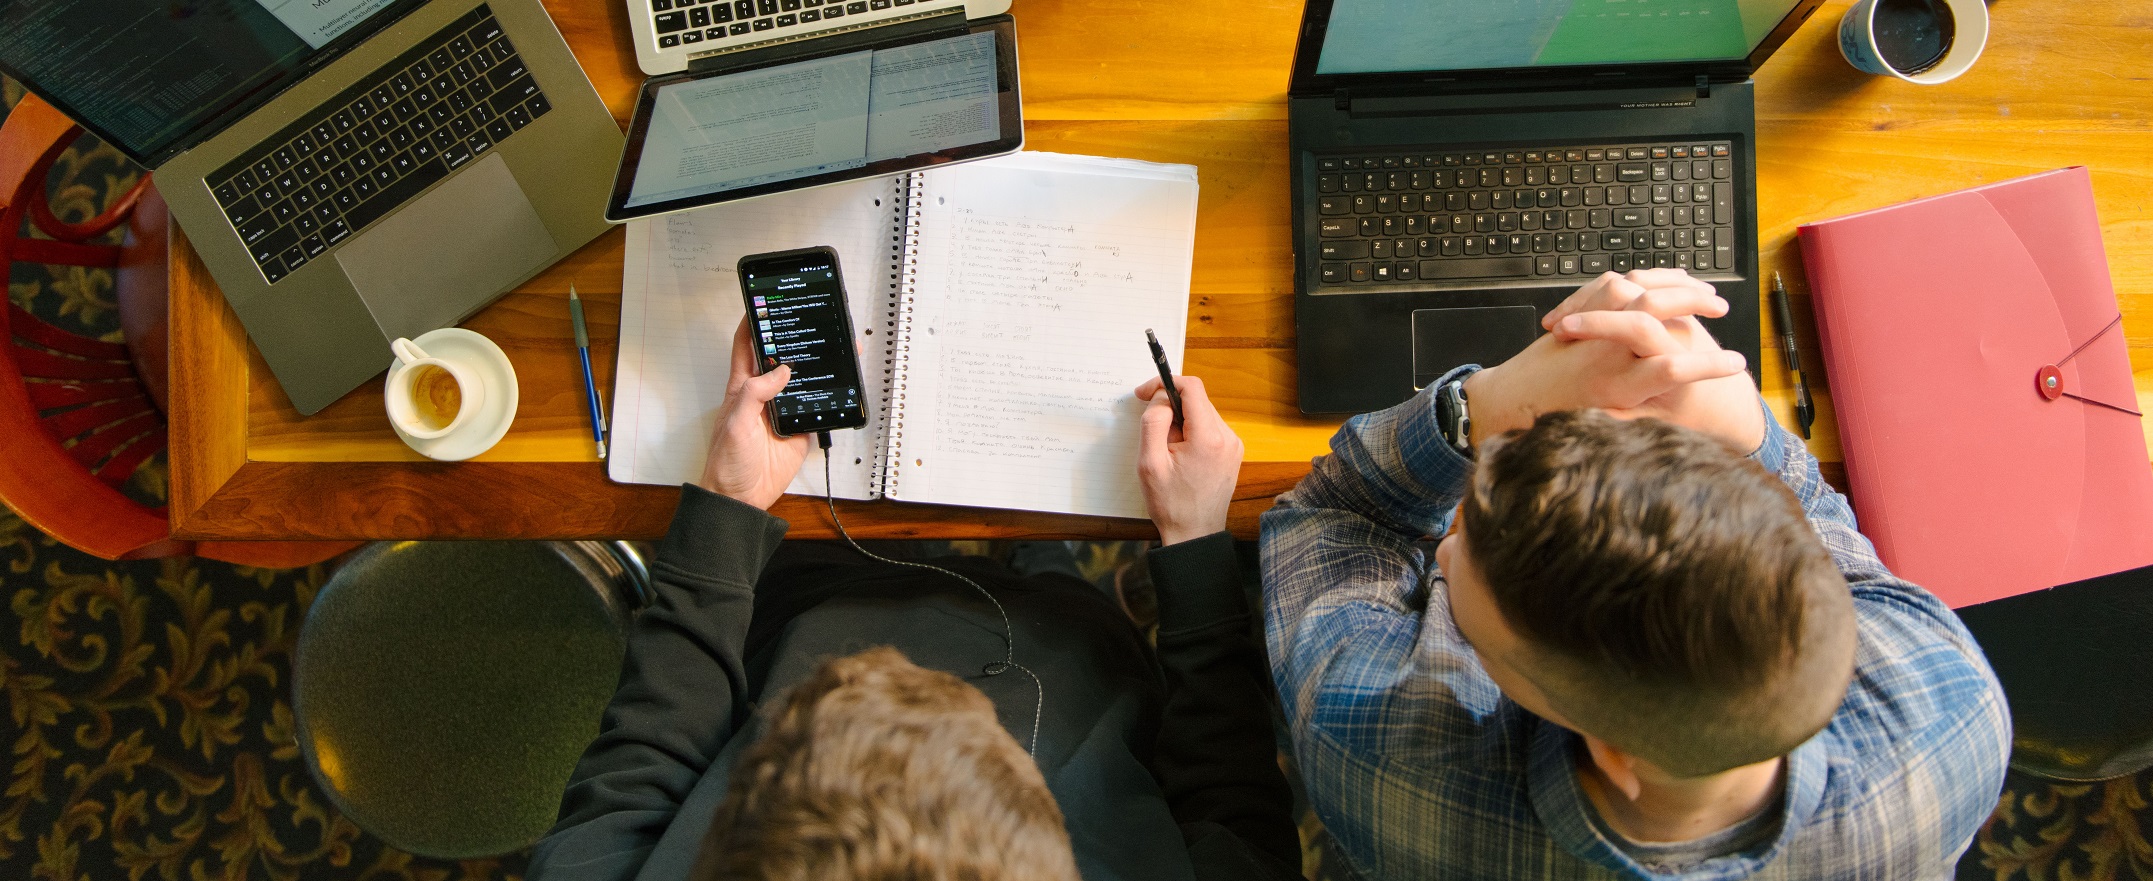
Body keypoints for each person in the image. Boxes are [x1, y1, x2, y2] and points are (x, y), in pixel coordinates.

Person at [1262, 269, 2010, 879]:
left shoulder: (1384, 765)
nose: (1445, 556)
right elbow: (1816, 517)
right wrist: (1743, 425)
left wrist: (1484, 407)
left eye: (1467, 618)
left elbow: (1332, 517)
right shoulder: (1951, 710)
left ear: (1615, 755)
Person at [528, 317, 1301, 881]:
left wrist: (729, 504)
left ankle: (1032, 550)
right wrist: (1196, 541)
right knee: (1059, 593)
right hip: (1075, 648)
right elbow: (1233, 802)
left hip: (810, 601)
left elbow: (645, 753)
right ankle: (1043, 552)